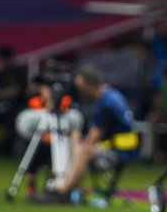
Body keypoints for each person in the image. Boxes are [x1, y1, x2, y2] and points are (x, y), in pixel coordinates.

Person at [52, 67, 138, 201]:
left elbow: (95, 136)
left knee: (83, 151)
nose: (81, 92)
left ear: (90, 85)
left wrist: (79, 147)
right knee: (77, 140)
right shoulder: (112, 95)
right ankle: (71, 187)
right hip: (124, 149)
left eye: (81, 88)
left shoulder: (105, 103)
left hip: (119, 153)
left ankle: (64, 190)